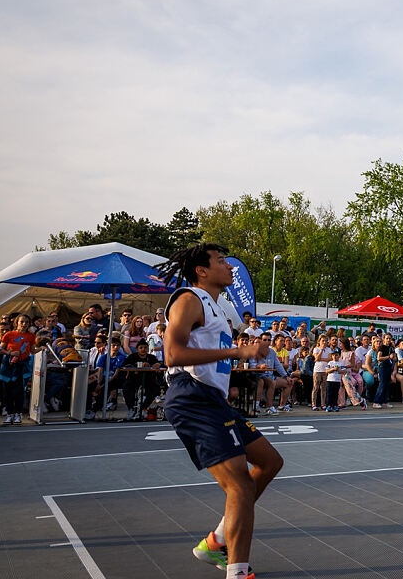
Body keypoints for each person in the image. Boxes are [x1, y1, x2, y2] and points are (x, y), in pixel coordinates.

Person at [159, 244, 282, 579]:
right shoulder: (189, 299)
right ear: (201, 270)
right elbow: (172, 353)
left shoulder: (217, 306)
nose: (229, 267)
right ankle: (237, 571)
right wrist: (236, 352)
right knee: (240, 486)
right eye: (221, 261)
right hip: (191, 397)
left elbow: (208, 354)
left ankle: (215, 541)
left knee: (270, 462)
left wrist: (235, 361)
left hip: (210, 398)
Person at [0, 314, 36, 425]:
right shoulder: (9, 334)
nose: (24, 324)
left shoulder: (31, 336)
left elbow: (33, 350)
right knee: (7, 391)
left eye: (26, 322)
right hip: (8, 365)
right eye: (22, 322)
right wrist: (10, 353)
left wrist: (43, 348)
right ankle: (9, 414)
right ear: (17, 323)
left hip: (22, 365)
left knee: (19, 391)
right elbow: (1, 349)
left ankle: (17, 414)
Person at [119, 340, 162, 420]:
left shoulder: (151, 357)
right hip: (134, 378)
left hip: (148, 379)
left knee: (155, 388)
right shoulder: (132, 357)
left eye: (145, 348)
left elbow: (160, 364)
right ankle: (131, 409)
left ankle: (143, 408)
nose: (143, 349)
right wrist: (136, 365)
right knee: (127, 387)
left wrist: (157, 364)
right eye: (141, 348)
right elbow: (124, 365)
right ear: (137, 349)